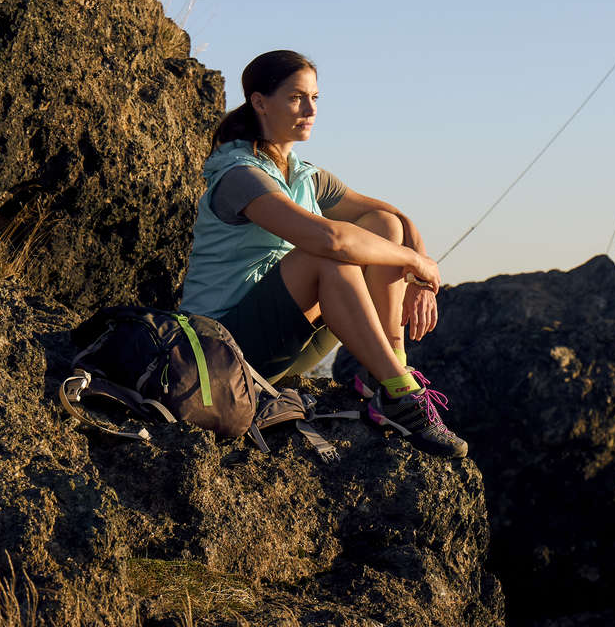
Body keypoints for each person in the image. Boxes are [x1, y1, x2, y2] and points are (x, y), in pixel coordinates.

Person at [180, 50, 467, 458]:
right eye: (297, 97)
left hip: (284, 342)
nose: (310, 108)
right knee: (326, 257)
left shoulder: (304, 175)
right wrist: (411, 262)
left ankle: (387, 378)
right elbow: (330, 241)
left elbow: (392, 216)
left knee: (383, 227)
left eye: (316, 97)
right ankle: (403, 395)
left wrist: (423, 271)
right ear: (260, 102)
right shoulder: (240, 176)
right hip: (224, 348)